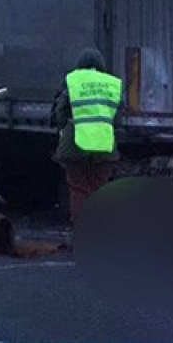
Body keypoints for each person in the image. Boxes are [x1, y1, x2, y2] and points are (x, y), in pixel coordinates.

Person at [51, 48, 123, 223]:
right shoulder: (112, 83)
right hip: (104, 145)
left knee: (78, 188)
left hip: (75, 144)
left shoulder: (72, 80)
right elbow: (118, 118)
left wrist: (63, 127)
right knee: (99, 187)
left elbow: (60, 110)